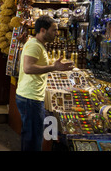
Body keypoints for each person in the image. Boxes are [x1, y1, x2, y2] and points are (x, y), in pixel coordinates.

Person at [15, 15, 74, 151]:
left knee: (31, 137)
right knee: (32, 139)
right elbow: (28, 68)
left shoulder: (38, 45)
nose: (57, 33)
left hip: (31, 97)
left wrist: (54, 66)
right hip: (30, 98)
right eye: (54, 30)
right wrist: (54, 67)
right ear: (43, 30)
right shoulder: (34, 46)